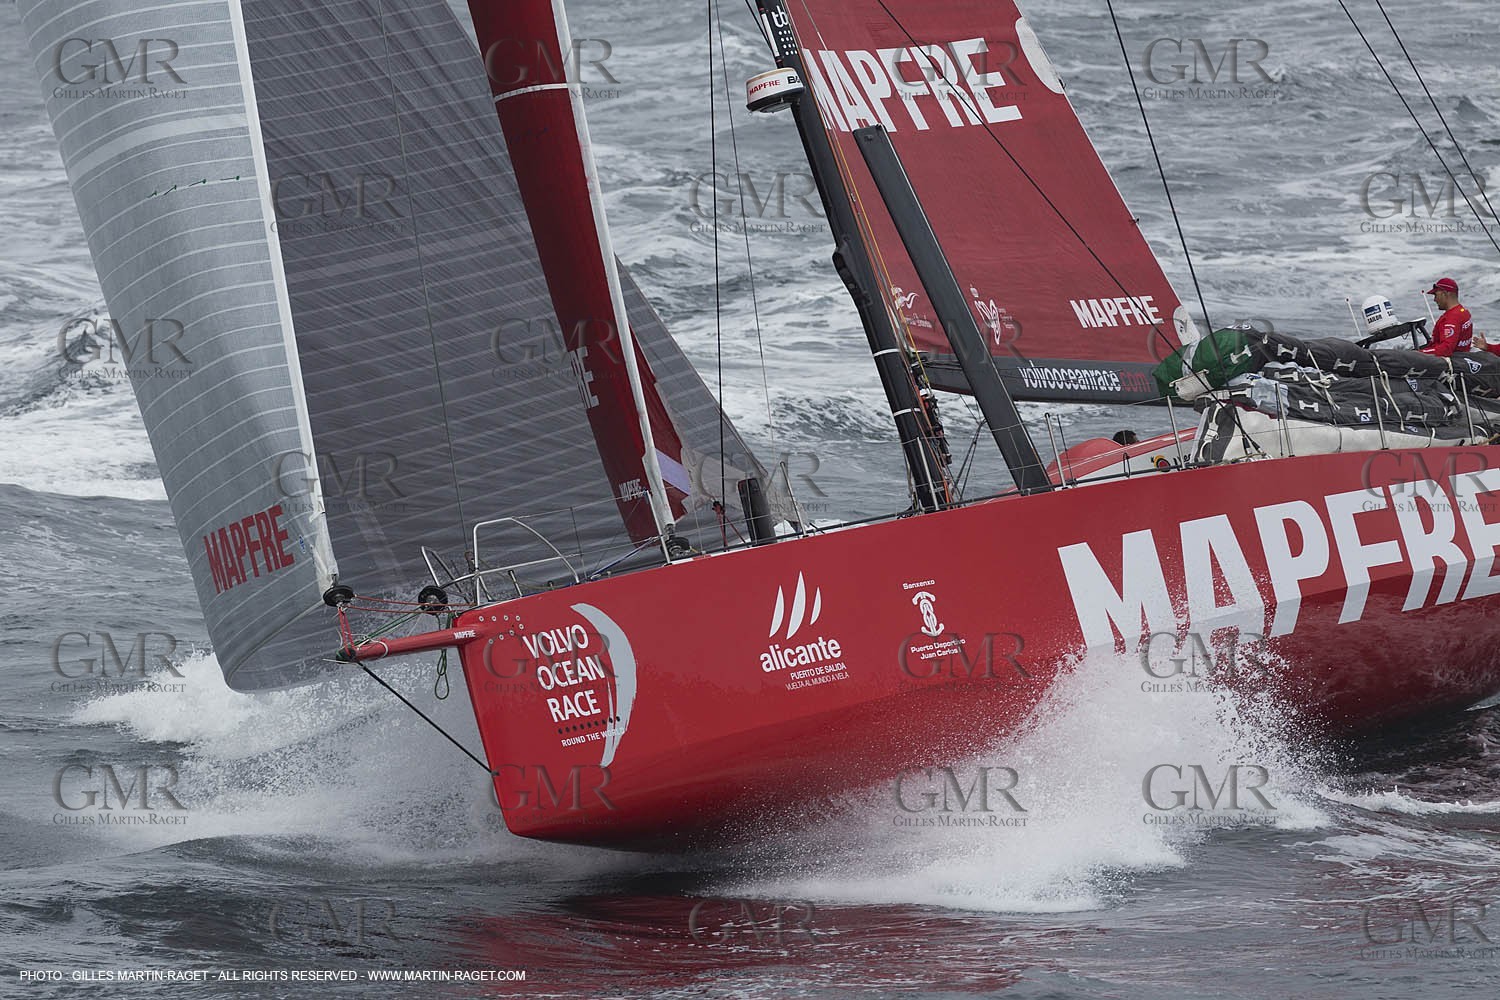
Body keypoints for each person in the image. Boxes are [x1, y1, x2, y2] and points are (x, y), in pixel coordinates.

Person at [1418, 277, 1474, 357]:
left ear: (1444, 294)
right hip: (1462, 358)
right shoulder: (1464, 312)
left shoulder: (1452, 318)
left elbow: (1446, 349)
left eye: (1436, 295)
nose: (1435, 299)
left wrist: (1418, 354)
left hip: (1449, 362)